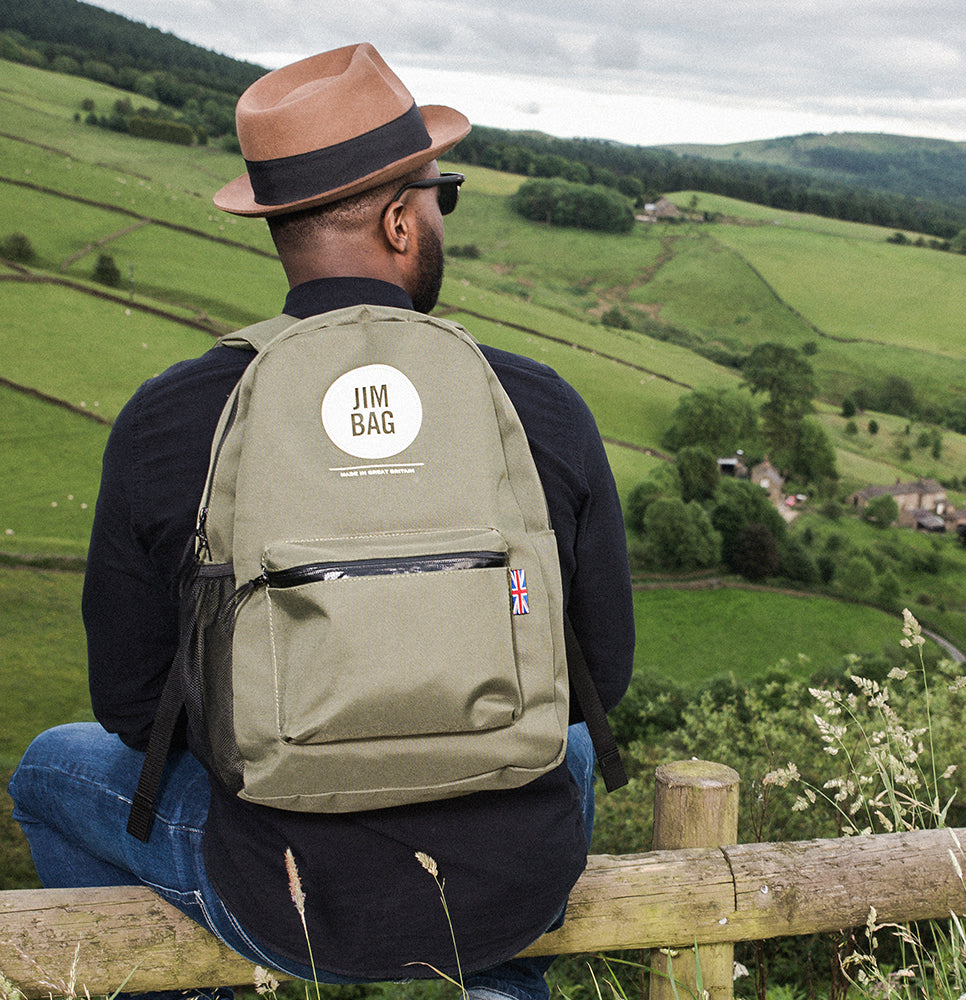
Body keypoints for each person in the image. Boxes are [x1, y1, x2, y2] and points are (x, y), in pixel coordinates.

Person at [9, 42, 634, 1000]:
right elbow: (604, 673)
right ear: (396, 219)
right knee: (574, 745)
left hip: (274, 888)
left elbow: (134, 708)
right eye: (441, 196)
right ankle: (499, 985)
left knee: (53, 766)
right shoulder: (537, 403)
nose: (439, 215)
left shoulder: (171, 418)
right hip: (514, 879)